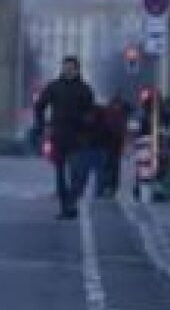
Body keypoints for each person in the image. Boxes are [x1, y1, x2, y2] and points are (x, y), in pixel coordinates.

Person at [33, 57, 97, 220]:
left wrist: (87, 121)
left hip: (78, 137)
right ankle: (66, 206)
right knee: (60, 175)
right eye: (65, 67)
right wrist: (41, 125)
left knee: (78, 174)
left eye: (71, 68)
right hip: (59, 136)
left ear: (77, 70)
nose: (67, 70)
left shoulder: (84, 89)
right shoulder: (54, 87)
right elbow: (40, 105)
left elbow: (92, 111)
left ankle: (71, 201)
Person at [95, 97, 129, 199]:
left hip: (112, 143)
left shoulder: (110, 113)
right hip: (110, 143)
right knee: (110, 166)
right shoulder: (117, 114)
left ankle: (107, 187)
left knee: (110, 166)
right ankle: (108, 187)